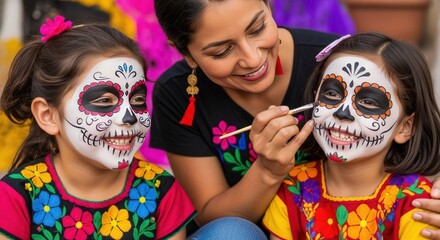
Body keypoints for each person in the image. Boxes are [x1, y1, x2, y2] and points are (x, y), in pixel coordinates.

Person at [150, 0, 339, 238]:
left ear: (269, 6)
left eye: (258, 29)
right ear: (187, 53)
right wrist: (268, 171)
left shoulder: (335, 62)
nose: (252, 59)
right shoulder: (175, 93)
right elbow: (211, 217)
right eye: (222, 51)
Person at [0, 16, 196, 240]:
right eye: (104, 101)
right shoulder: (15, 195)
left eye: (138, 101)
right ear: (48, 116)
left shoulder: (162, 189)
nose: (129, 117)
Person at [262, 32, 440, 239]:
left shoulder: (415, 199)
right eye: (332, 94)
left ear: (405, 128)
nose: (342, 112)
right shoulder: (292, 188)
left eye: (369, 103)